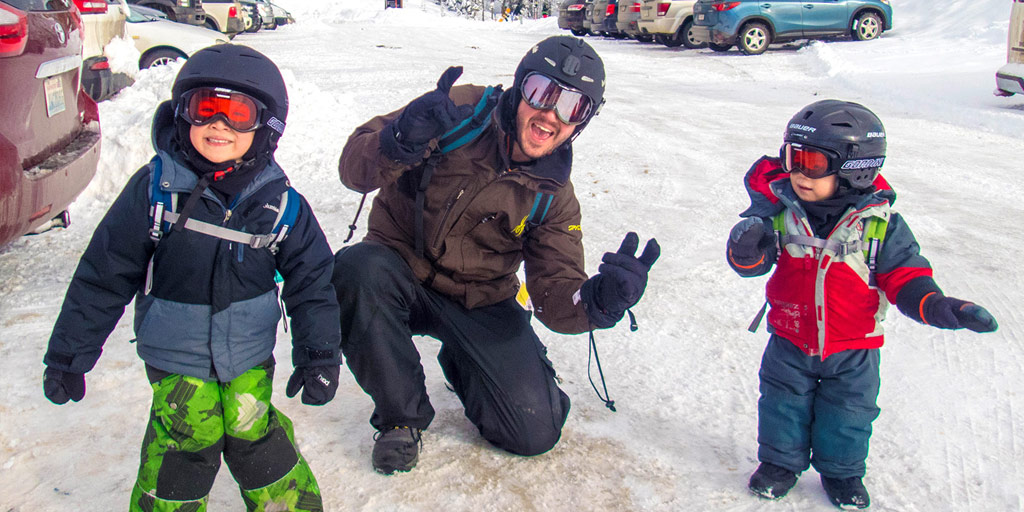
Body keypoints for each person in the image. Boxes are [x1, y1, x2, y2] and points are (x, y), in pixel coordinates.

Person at [334, 35, 660, 475]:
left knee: (533, 433)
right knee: (355, 271)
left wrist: (597, 301)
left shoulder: (555, 198)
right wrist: (398, 141)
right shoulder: (456, 113)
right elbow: (353, 169)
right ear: (519, 86)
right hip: (397, 270)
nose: (551, 114)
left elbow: (554, 294)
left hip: (480, 299)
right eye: (543, 92)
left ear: (583, 121)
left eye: (572, 106)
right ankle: (400, 416)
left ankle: (465, 361)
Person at [42, 44, 340, 512]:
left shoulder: (280, 206)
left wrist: (319, 354)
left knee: (251, 428)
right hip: (174, 355)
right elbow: (104, 275)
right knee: (188, 438)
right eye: (206, 109)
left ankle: (289, 503)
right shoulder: (155, 192)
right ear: (183, 115)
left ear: (267, 128)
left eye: (237, 114)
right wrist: (69, 354)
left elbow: (313, 283)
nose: (219, 126)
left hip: (248, 353)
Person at [726, 99, 998, 509]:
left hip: (853, 348)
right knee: (782, 404)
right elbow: (752, 266)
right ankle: (780, 464)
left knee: (849, 414)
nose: (798, 172)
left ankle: (842, 473)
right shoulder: (781, 215)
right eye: (792, 158)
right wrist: (745, 249)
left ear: (856, 169)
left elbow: (906, 277)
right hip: (788, 338)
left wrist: (940, 306)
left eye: (813, 162)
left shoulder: (881, 225)